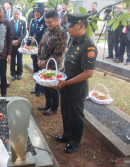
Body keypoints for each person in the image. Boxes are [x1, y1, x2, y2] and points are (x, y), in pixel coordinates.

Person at [53, 13, 97, 153]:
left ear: (81, 25)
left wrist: (65, 83)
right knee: (66, 111)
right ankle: (67, 136)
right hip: (65, 84)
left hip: (77, 89)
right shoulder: (73, 39)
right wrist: (61, 70)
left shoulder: (88, 46)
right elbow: (70, 62)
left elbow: (88, 73)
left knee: (76, 115)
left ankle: (75, 141)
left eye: (70, 26)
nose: (68, 29)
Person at [37, 10, 68, 115]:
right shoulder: (46, 30)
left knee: (53, 87)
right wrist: (39, 59)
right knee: (45, 86)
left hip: (54, 65)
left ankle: (53, 108)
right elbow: (41, 45)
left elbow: (59, 52)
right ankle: (47, 104)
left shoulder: (62, 33)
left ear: (57, 20)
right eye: (46, 22)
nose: (47, 24)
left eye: (50, 22)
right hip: (44, 64)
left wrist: (45, 61)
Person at [28, 2, 47, 96]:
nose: (36, 13)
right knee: (35, 69)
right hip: (33, 50)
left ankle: (41, 89)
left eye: (38, 11)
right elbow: (31, 35)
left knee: (40, 69)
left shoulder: (45, 22)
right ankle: (36, 87)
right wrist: (27, 45)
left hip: (42, 51)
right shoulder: (33, 21)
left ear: (42, 11)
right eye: (35, 11)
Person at [10, 8, 26, 81]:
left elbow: (24, 33)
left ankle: (19, 73)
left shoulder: (23, 22)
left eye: (17, 14)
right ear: (12, 14)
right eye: (14, 14)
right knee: (12, 59)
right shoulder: (9, 22)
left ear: (19, 15)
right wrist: (12, 41)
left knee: (19, 59)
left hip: (20, 44)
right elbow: (7, 34)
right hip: (12, 44)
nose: (16, 15)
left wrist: (18, 41)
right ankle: (13, 74)